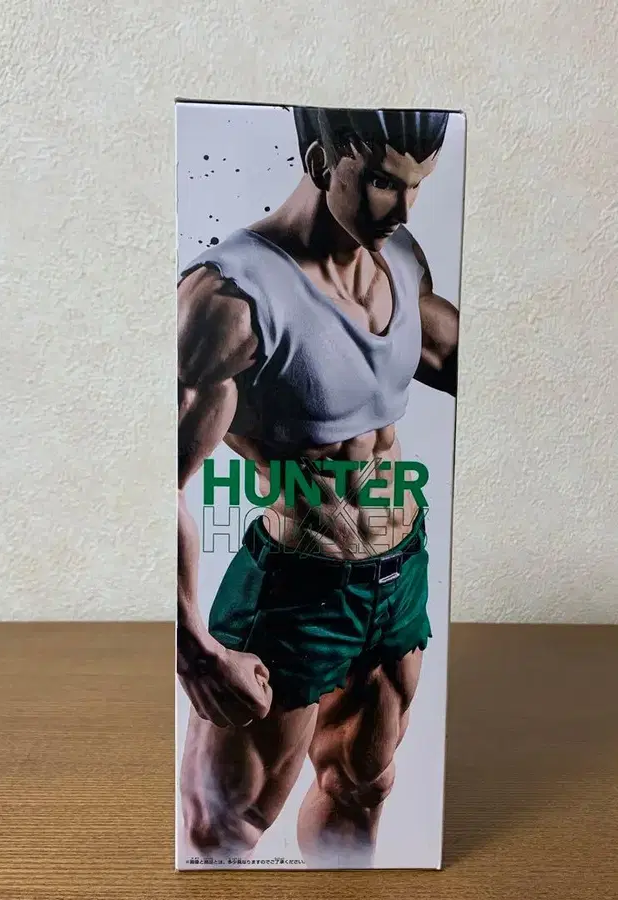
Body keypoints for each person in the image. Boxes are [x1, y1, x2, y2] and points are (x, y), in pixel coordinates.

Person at [177, 105, 459, 867]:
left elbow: (455, 354)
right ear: (318, 161)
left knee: (361, 787)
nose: (403, 210)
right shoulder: (230, 300)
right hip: (295, 592)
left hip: (398, 577)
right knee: (222, 827)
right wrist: (193, 647)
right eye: (382, 184)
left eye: (418, 186)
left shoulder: (400, 261)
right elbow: (151, 483)